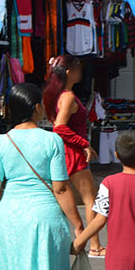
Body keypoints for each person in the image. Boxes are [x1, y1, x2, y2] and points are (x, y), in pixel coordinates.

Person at [0, 83, 84, 270]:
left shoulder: (0, 143)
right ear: (37, 108)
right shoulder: (52, 140)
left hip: (9, 218)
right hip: (44, 218)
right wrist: (78, 224)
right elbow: (60, 189)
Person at [73, 130, 135, 270]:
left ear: (116, 156)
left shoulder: (108, 184)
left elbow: (99, 220)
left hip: (117, 261)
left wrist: (78, 242)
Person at [43, 54, 104, 256]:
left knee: (67, 197)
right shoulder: (68, 96)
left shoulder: (60, 95)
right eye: (78, 69)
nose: (81, 73)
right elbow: (60, 127)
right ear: (69, 72)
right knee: (90, 199)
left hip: (66, 151)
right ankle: (94, 245)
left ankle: (82, 236)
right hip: (73, 153)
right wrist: (84, 144)